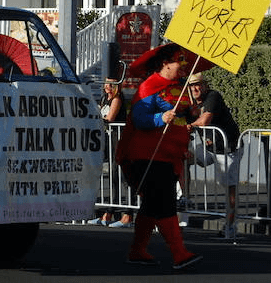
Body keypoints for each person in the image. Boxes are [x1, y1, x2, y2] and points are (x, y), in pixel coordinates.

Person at [116, 44, 202, 270]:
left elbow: (182, 115)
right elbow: (140, 118)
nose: (183, 67)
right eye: (179, 62)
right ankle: (179, 253)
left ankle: (137, 251)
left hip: (168, 155)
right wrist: (160, 118)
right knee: (163, 204)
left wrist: (190, 114)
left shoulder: (178, 87)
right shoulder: (148, 87)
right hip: (148, 156)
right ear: (165, 64)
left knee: (152, 206)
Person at [185, 72, 241, 238]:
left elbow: (204, 121)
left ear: (205, 86)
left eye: (198, 85)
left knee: (229, 188)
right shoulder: (191, 103)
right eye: (192, 85)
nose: (195, 88)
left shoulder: (213, 96)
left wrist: (189, 126)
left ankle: (231, 226)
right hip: (209, 149)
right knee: (183, 158)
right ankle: (184, 199)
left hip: (227, 148)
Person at [87, 78, 134, 228]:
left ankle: (128, 214)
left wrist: (96, 119)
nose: (107, 86)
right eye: (106, 83)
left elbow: (109, 118)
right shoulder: (104, 98)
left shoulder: (117, 99)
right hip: (109, 141)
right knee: (113, 176)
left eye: (111, 84)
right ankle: (109, 212)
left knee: (122, 176)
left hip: (119, 140)